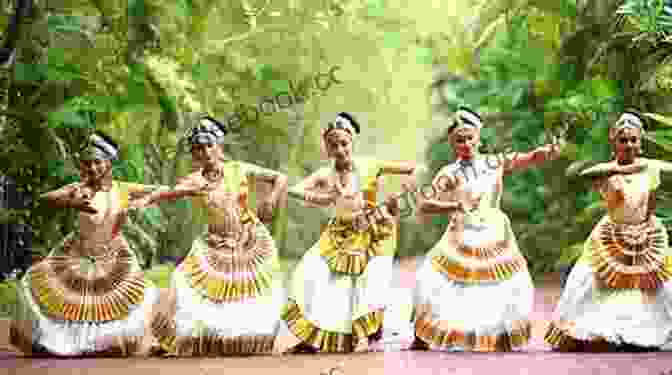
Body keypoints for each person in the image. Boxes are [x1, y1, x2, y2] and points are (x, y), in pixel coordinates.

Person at [410, 106, 562, 352]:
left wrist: (547, 152)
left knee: (500, 284)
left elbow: (529, 158)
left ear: (479, 137)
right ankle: (427, 331)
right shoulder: (450, 173)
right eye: (459, 140)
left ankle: (493, 334)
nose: (465, 144)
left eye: (469, 138)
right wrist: (452, 204)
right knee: (431, 279)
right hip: (460, 234)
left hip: (494, 233)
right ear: (452, 143)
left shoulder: (495, 163)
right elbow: (423, 204)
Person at [136, 116, 288, 356]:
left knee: (250, 292)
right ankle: (189, 337)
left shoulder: (238, 168)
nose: (205, 152)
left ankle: (244, 339)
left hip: (249, 239)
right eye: (199, 149)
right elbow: (171, 191)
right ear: (195, 155)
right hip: (215, 242)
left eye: (209, 146)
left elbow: (280, 178)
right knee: (183, 280)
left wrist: (271, 199)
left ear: (219, 147)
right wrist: (150, 198)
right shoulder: (196, 180)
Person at [274, 112, 416, 353]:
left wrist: (405, 189)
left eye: (344, 143)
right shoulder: (325, 174)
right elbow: (295, 191)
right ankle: (314, 336)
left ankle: (368, 329)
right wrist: (322, 197)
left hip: (370, 230)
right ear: (327, 148)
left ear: (352, 142)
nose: (339, 149)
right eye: (333, 145)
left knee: (367, 283)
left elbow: (411, 168)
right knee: (309, 273)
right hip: (338, 233)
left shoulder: (371, 165)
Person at [10, 131, 160, 356]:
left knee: (138, 295)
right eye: (87, 163)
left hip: (113, 253)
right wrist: (73, 202)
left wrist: (144, 201)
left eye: (97, 162)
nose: (92, 168)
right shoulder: (77, 188)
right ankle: (62, 342)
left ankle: (107, 343)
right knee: (40, 286)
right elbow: (46, 198)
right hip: (76, 251)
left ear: (109, 163)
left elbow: (160, 190)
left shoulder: (122, 189)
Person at [545, 111, 672, 352]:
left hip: (645, 232)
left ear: (640, 143)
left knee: (659, 284)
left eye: (634, 140)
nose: (629, 145)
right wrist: (624, 170)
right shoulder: (605, 172)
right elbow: (583, 174)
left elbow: (652, 199)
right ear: (614, 143)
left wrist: (645, 223)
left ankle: (645, 331)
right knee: (591, 280)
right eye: (623, 140)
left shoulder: (651, 170)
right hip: (612, 232)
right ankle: (601, 331)